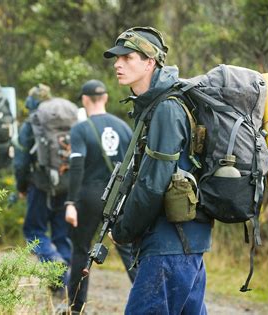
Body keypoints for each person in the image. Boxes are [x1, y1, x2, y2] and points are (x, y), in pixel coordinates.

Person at [103, 26, 212, 314]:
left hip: (169, 245)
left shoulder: (166, 109)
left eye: (128, 57)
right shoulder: (155, 107)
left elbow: (153, 183)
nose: (118, 64)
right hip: (183, 243)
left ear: (150, 62)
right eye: (117, 58)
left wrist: (124, 229)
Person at [64, 79, 137, 312]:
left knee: (81, 249)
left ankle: (76, 308)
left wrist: (70, 203)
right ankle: (151, 303)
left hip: (89, 196)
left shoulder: (80, 129)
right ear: (105, 98)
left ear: (85, 100)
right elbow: (132, 164)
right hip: (119, 196)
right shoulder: (123, 127)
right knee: (128, 249)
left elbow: (76, 167)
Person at [13, 84, 72, 286]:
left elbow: (21, 162)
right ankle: (62, 281)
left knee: (33, 230)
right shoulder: (65, 118)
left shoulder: (32, 123)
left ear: (31, 103)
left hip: (40, 185)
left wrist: (21, 187)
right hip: (67, 183)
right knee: (61, 234)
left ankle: (55, 263)